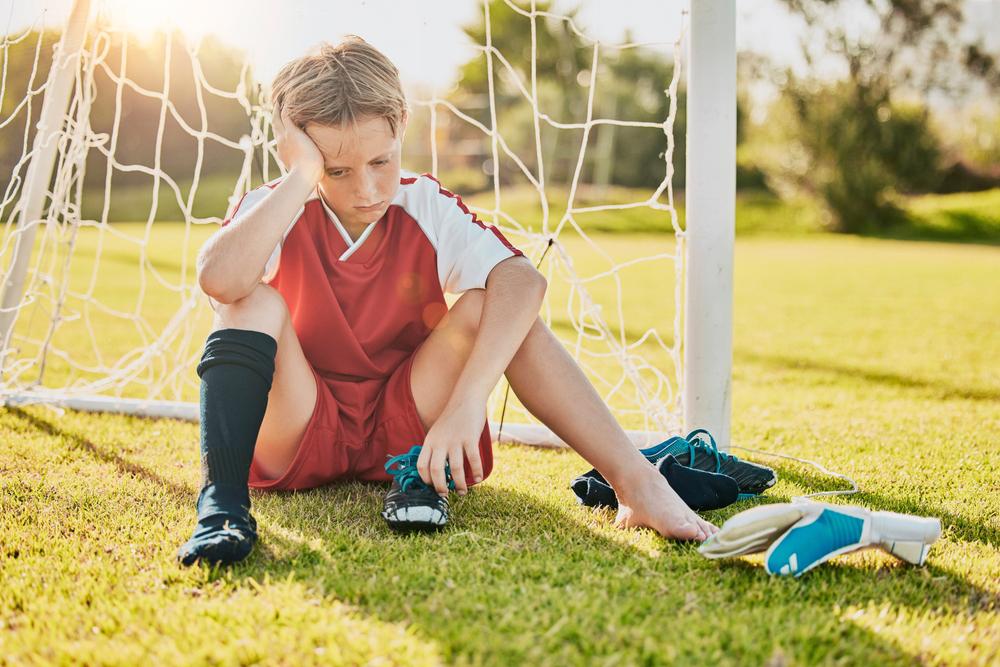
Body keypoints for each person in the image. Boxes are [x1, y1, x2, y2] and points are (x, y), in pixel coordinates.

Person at [177, 36, 720, 566]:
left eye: (380, 162)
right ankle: (222, 505)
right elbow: (220, 281)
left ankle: (636, 483)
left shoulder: (424, 204)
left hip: (413, 434)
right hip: (299, 429)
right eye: (336, 171)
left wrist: (466, 404)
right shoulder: (273, 207)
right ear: (296, 151)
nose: (366, 190)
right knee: (249, 302)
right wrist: (302, 178)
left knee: (495, 304)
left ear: (402, 125)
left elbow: (522, 281)